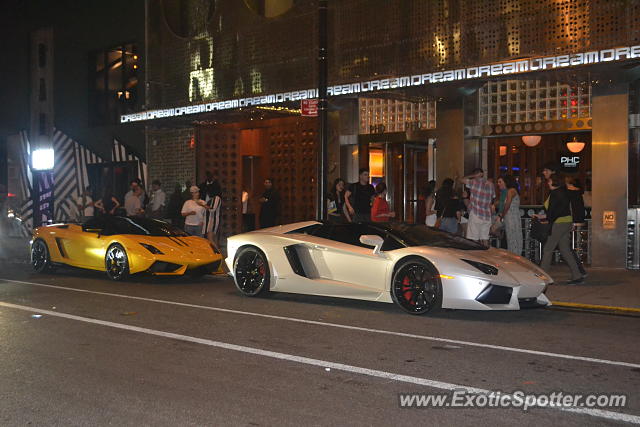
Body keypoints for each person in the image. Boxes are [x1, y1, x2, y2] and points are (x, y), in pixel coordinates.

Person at [537, 175, 583, 285]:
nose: (548, 183)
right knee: (565, 249)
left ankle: (543, 278)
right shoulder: (565, 192)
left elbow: (553, 211)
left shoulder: (555, 193)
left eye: (549, 181)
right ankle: (577, 275)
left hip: (559, 223)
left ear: (554, 182)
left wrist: (546, 219)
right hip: (567, 222)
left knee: (548, 249)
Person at [461, 168, 495, 246]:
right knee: (485, 238)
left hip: (476, 214)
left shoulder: (474, 183)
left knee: (474, 240)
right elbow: (492, 198)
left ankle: (477, 257)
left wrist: (472, 176)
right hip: (487, 216)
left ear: (475, 175)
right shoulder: (491, 184)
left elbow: (462, 179)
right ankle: (486, 256)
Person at [565, 176, 588, 277]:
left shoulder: (569, 193)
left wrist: (572, 222)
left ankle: (579, 271)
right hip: (578, 219)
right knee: (568, 247)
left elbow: (570, 208)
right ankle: (579, 270)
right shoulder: (578, 192)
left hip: (570, 221)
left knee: (566, 247)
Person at [496, 175, 522, 255]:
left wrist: (502, 216)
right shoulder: (511, 191)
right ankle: (515, 256)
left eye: (500, 182)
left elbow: (507, 204)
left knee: (513, 238)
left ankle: (515, 257)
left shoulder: (511, 190)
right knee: (513, 238)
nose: (498, 184)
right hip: (511, 217)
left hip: (512, 218)